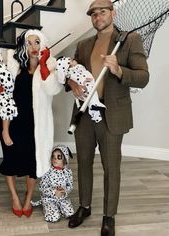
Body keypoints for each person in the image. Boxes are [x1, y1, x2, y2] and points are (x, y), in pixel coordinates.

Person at [67, 0, 149, 235]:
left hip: (111, 115)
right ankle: (84, 206)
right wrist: (71, 82)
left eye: (102, 12)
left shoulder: (129, 40)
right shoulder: (83, 45)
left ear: (112, 13)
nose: (97, 17)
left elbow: (143, 77)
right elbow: (70, 73)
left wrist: (119, 70)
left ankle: (109, 216)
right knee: (83, 162)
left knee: (111, 167)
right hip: (83, 114)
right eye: (93, 14)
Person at [0, 29, 62, 218]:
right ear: (24, 45)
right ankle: (14, 196)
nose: (33, 47)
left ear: (43, 44)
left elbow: (54, 89)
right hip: (11, 123)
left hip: (35, 126)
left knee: (32, 163)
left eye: (36, 42)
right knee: (10, 161)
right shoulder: (13, 66)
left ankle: (28, 197)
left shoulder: (50, 66)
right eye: (29, 43)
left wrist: (45, 65)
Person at [31, 144, 74, 222]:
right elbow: (42, 187)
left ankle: (60, 207)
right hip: (49, 198)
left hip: (62, 198)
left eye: (59, 157)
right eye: (53, 156)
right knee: (53, 217)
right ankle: (48, 208)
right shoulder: (48, 171)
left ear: (65, 159)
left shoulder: (68, 172)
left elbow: (70, 185)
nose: (55, 159)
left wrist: (65, 191)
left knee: (70, 213)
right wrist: (54, 192)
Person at [56, 56, 105, 123]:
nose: (74, 60)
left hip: (90, 86)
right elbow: (74, 78)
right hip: (85, 87)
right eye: (72, 61)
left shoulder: (76, 68)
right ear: (68, 66)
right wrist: (71, 82)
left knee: (92, 97)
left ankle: (95, 111)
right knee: (91, 95)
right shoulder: (72, 71)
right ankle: (95, 107)